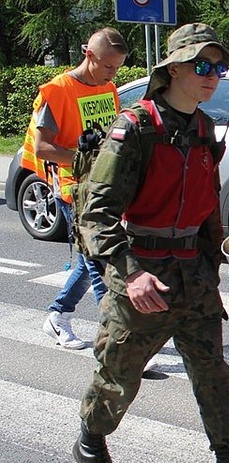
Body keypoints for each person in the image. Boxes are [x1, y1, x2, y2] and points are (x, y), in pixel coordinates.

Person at [73, 23, 229, 463]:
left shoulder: (203, 129)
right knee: (118, 374)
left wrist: (214, 264)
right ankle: (90, 442)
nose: (213, 76)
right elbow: (95, 215)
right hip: (142, 274)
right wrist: (131, 275)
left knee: (214, 377)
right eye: (202, 65)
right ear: (174, 68)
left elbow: (206, 213)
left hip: (193, 277)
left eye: (219, 67)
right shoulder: (135, 127)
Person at [20, 28, 128, 350]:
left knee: (85, 260)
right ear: (89, 55)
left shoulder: (108, 88)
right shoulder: (57, 91)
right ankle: (118, 340)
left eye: (118, 68)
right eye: (109, 66)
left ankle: (58, 315)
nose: (113, 74)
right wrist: (88, 158)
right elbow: (42, 148)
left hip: (101, 186)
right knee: (98, 262)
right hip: (71, 187)